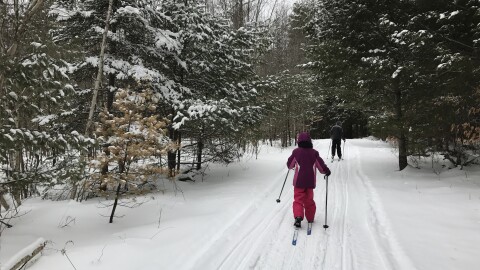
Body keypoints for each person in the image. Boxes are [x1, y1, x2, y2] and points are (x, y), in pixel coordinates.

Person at [287, 132, 331, 228]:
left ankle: (298, 217)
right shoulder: (314, 153)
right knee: (309, 200)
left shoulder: (296, 152)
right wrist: (326, 171)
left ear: (299, 141)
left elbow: (290, 165)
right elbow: (321, 166)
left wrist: (291, 166)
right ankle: (310, 218)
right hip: (310, 182)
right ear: (309, 141)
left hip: (298, 182)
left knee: (298, 200)